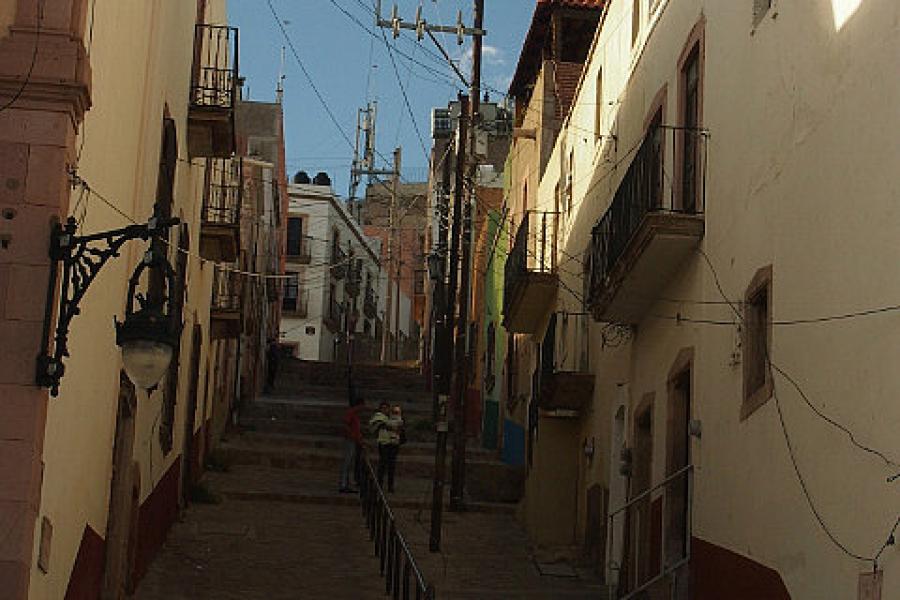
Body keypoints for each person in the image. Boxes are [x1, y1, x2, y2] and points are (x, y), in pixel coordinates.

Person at [369, 401, 400, 492]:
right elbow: (379, 424)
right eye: (383, 408)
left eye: (386, 408)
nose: (385, 410)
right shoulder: (378, 416)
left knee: (391, 466)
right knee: (383, 465)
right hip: (384, 443)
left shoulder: (392, 417)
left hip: (393, 443)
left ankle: (390, 486)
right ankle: (380, 485)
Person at [339, 396, 365, 493]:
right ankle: (343, 484)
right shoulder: (351, 412)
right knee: (347, 462)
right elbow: (345, 424)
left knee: (350, 462)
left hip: (353, 440)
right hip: (350, 440)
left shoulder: (355, 414)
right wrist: (351, 434)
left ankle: (346, 482)